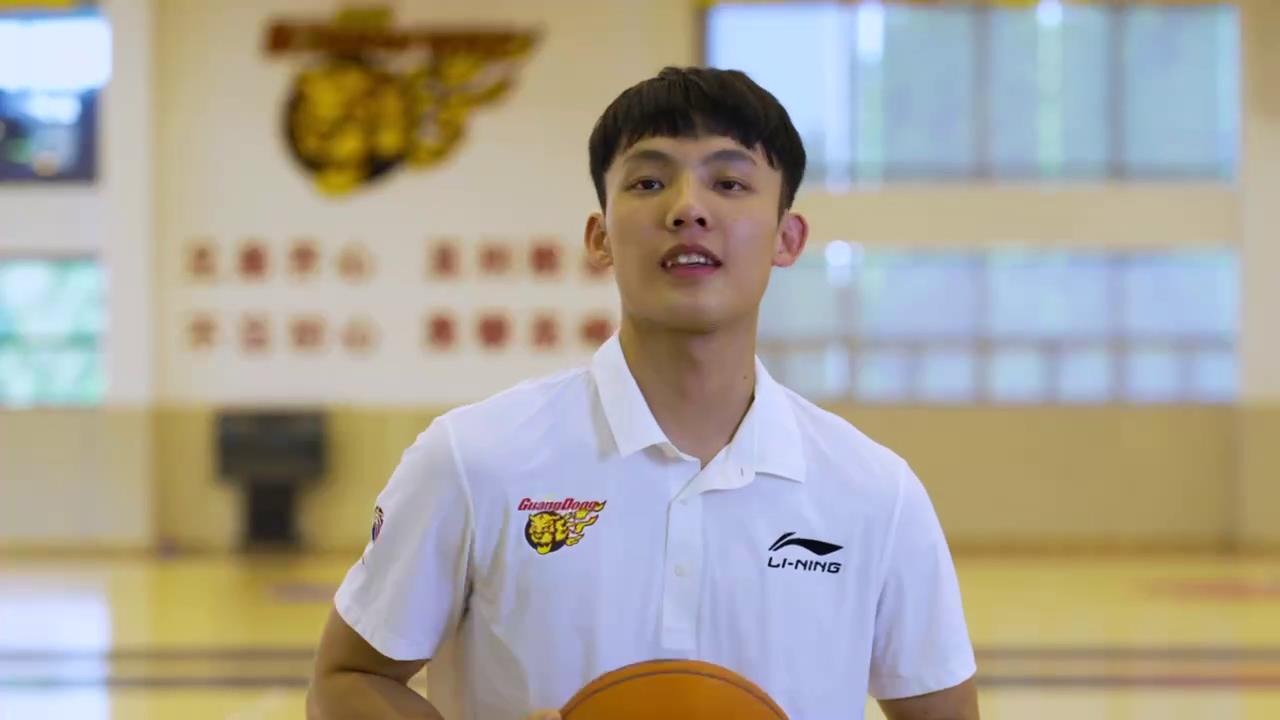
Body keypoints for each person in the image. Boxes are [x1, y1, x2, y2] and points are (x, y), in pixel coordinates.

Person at [307, 66, 979, 720]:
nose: (688, 208)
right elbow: (345, 681)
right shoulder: (472, 459)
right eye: (649, 181)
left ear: (787, 237)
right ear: (600, 237)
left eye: (729, 182)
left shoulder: (876, 493)